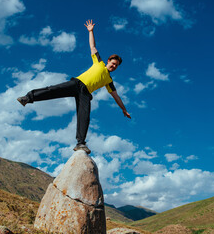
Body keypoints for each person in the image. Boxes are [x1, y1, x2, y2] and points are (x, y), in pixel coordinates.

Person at [17, 20, 131, 154]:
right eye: (113, 63)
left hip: (85, 93)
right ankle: (28, 98)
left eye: (116, 65)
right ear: (108, 61)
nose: (114, 66)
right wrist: (91, 31)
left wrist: (123, 109)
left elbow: (116, 96)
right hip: (77, 83)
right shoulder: (99, 62)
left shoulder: (109, 80)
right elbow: (92, 46)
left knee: (84, 116)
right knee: (53, 90)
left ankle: (80, 143)